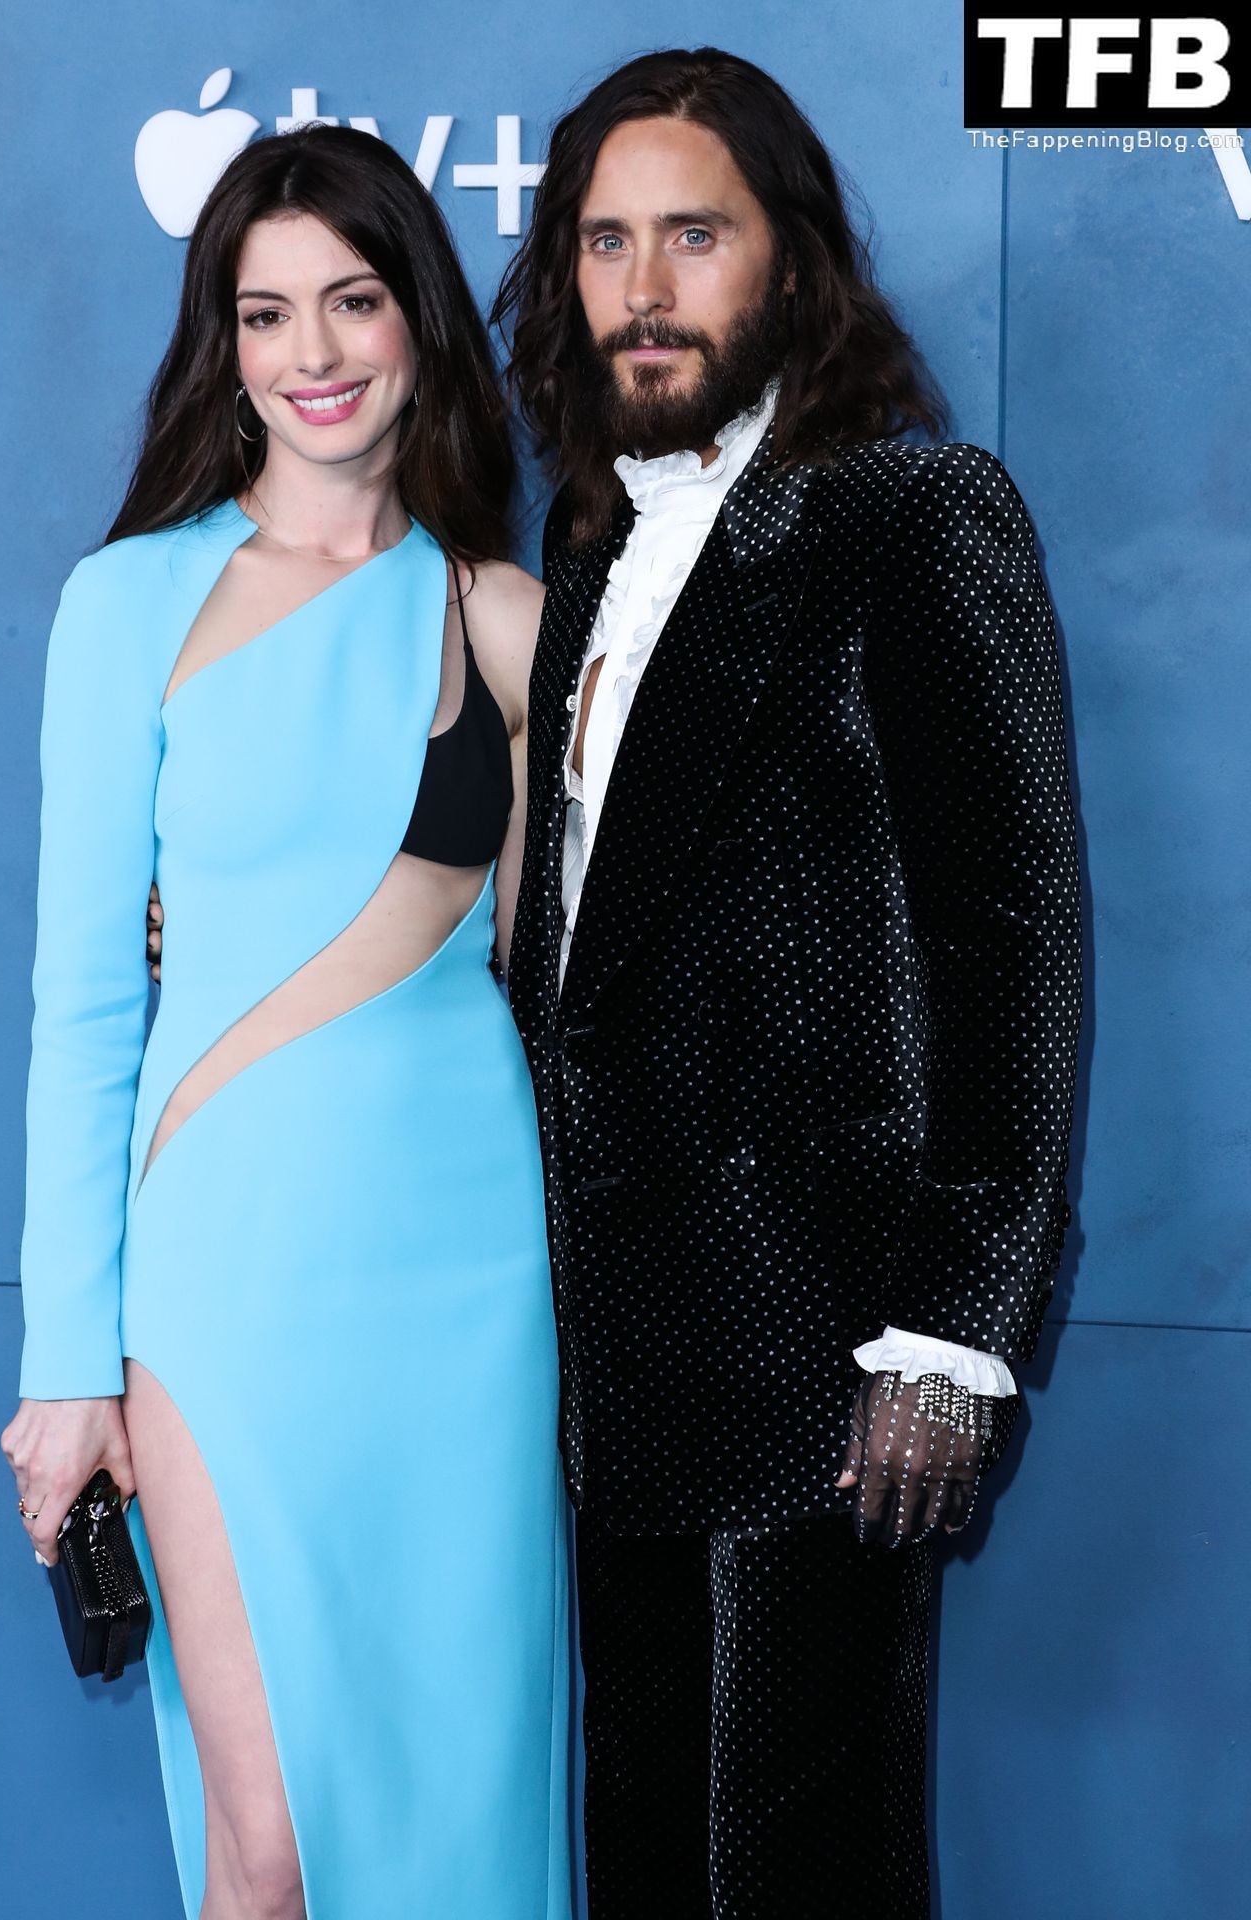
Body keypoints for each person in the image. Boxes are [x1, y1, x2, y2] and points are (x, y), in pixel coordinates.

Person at [485, 46, 1083, 1919]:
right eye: (605, 243)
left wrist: (953, 1327)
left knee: (799, 1875)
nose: (644, 288)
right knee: (651, 1864)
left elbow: (1011, 930)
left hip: (830, 1364)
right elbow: (573, 944)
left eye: (696, 235)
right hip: (609, 1362)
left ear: (794, 265)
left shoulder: (913, 518)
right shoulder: (587, 547)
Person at [0, 126, 571, 1920]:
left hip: (469, 1288)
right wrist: (64, 1365)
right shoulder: (131, 606)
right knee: (271, 1859)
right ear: (223, 345)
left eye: (352, 300)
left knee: (461, 1828)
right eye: (264, 315)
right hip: (228, 1282)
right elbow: (85, 1005)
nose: (312, 353)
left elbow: (551, 982)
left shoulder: (507, 619)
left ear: (419, 323)